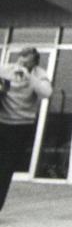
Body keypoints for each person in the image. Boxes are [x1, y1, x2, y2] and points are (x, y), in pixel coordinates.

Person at [0, 47, 52, 212]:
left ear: (34, 64)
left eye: (26, 63)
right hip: (2, 122)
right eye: (20, 61)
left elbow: (46, 93)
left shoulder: (39, 74)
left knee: (5, 169)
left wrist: (29, 77)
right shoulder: (5, 70)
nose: (21, 65)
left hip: (21, 126)